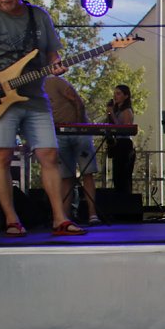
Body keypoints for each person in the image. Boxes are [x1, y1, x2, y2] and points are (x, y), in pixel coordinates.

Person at [0, 0, 86, 236]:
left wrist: (57, 64)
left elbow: (52, 52)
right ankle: (11, 219)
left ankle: (59, 219)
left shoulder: (38, 17)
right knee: (2, 156)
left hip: (35, 97)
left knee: (49, 154)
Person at [45, 75, 101, 226]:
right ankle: (65, 217)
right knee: (65, 176)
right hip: (59, 133)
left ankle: (92, 214)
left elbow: (77, 100)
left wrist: (78, 125)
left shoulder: (54, 81)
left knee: (87, 173)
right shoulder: (32, 92)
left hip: (78, 130)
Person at [105, 84, 135, 194]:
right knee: (117, 175)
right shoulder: (117, 110)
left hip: (124, 143)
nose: (115, 96)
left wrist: (112, 113)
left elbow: (123, 129)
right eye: (114, 94)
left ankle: (126, 200)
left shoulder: (127, 111)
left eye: (118, 94)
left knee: (123, 175)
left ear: (126, 96)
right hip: (117, 143)